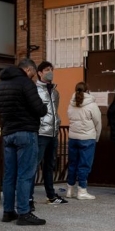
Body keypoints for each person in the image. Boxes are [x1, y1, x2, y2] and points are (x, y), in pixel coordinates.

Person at [0, 58, 47, 226]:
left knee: (9, 175)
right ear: (29, 70)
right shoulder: (26, 83)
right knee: (25, 174)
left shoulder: (0, 85)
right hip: (26, 132)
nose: (33, 76)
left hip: (8, 133)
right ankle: (24, 212)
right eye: (33, 72)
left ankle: (8, 211)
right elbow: (39, 109)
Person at [29, 61, 68, 206]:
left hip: (53, 132)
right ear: (39, 73)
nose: (50, 71)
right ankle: (29, 197)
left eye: (51, 69)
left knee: (50, 165)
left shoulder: (55, 92)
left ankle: (51, 196)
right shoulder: (34, 90)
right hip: (40, 132)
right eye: (46, 69)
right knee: (34, 165)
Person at [66, 82, 102, 200]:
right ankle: (82, 190)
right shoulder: (92, 105)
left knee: (72, 163)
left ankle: (70, 189)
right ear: (87, 90)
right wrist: (96, 137)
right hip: (87, 138)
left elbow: (70, 117)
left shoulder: (71, 103)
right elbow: (98, 122)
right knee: (84, 165)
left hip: (73, 138)